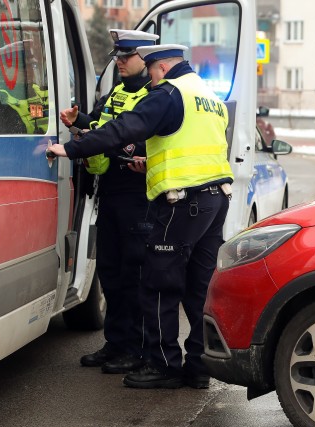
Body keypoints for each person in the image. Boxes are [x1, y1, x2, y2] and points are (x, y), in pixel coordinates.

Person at [48, 44, 234, 389]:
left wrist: (70, 148)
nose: (149, 78)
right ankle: (198, 367)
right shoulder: (207, 95)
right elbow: (197, 146)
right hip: (214, 199)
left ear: (161, 67)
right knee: (198, 288)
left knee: (158, 283)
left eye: (151, 70)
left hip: (182, 202)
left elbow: (123, 129)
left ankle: (163, 364)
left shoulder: (167, 94)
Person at [62, 29, 158, 374]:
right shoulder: (117, 91)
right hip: (112, 192)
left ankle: (135, 348)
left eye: (125, 56)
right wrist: (80, 122)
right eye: (117, 56)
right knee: (111, 272)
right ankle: (115, 343)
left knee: (133, 275)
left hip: (139, 195)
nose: (118, 62)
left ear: (145, 58)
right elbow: (105, 128)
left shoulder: (157, 95)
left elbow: (153, 139)